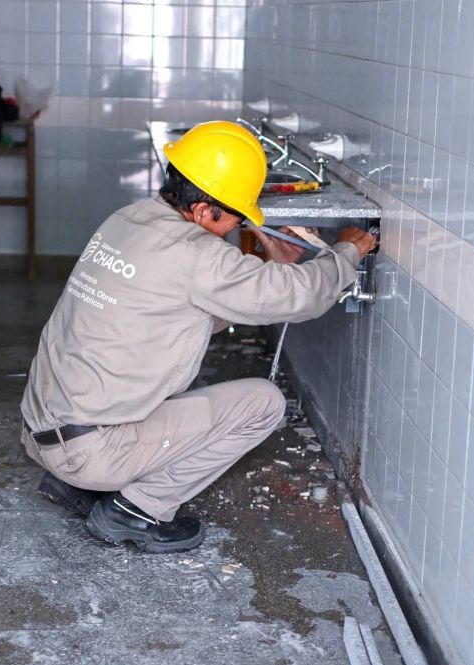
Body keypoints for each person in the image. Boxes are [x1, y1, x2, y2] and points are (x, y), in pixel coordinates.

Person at [20, 120, 376, 553]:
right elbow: (302, 296)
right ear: (206, 211)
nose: (235, 229)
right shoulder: (197, 253)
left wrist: (272, 268)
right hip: (87, 451)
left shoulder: (128, 219)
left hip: (42, 432)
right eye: (235, 218)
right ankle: (137, 509)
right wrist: (349, 251)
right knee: (264, 404)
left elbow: (180, 312)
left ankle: (80, 485)